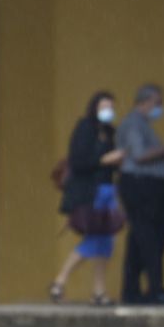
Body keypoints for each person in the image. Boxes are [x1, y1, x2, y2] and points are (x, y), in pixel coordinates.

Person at [51, 91, 125, 305]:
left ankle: (99, 291)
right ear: (94, 108)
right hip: (90, 192)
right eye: (103, 107)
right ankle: (60, 280)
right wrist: (104, 159)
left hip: (108, 190)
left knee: (106, 241)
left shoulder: (111, 132)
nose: (107, 111)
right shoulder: (85, 128)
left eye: (110, 107)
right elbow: (79, 161)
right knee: (94, 238)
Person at [116, 84, 164, 304]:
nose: (159, 108)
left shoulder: (143, 124)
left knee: (138, 239)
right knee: (149, 239)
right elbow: (139, 155)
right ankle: (155, 289)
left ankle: (132, 291)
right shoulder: (134, 123)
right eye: (157, 103)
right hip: (139, 186)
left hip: (146, 186)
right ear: (144, 102)